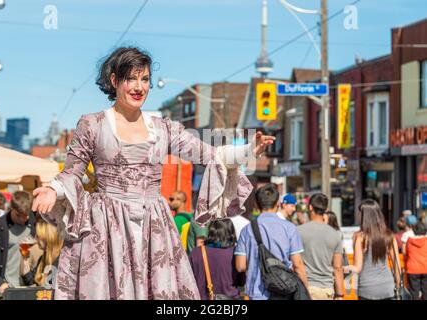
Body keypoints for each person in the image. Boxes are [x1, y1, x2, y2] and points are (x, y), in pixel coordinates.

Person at [31, 47, 275, 300]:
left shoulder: (163, 128)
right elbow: (73, 171)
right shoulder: (93, 124)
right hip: (106, 226)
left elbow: (209, 154)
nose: (139, 87)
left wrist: (249, 149)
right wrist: (53, 189)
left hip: (153, 226)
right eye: (131, 78)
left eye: (145, 79)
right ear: (114, 81)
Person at [234, 183, 309, 300]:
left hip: (256, 294)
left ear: (256, 205)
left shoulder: (247, 230)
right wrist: (306, 290)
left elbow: (240, 266)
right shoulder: (289, 228)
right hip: (284, 292)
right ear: (278, 205)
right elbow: (298, 264)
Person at [344, 199, 400, 300]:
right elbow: (397, 264)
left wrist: (340, 268)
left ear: (365, 216)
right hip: (387, 287)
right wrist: (397, 284)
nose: (358, 215)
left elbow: (357, 268)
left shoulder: (359, 237)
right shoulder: (389, 236)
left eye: (360, 213)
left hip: (367, 289)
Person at [0, 191, 36, 294]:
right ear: (11, 208)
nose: (22, 219)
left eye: (25, 215)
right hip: (8, 288)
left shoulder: (35, 222)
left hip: (31, 286)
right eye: (18, 215)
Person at [298, 194, 344, 300]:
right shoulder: (335, 234)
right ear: (326, 209)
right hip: (327, 290)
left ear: (310, 207)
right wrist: (340, 295)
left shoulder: (299, 231)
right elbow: (338, 268)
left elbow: (296, 262)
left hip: (307, 288)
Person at [189, 219, 243, 300]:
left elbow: (189, 279)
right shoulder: (235, 252)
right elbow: (242, 282)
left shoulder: (196, 253)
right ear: (231, 232)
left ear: (210, 232)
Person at [21, 220, 63, 287]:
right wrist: (25, 259)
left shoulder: (62, 260)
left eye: (38, 236)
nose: (35, 238)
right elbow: (31, 283)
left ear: (47, 237)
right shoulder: (43, 259)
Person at [404, 222, 427, 300]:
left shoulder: (409, 241)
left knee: (414, 292)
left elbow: (405, 253)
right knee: (426, 291)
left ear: (414, 231)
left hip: (413, 269)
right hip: (425, 268)